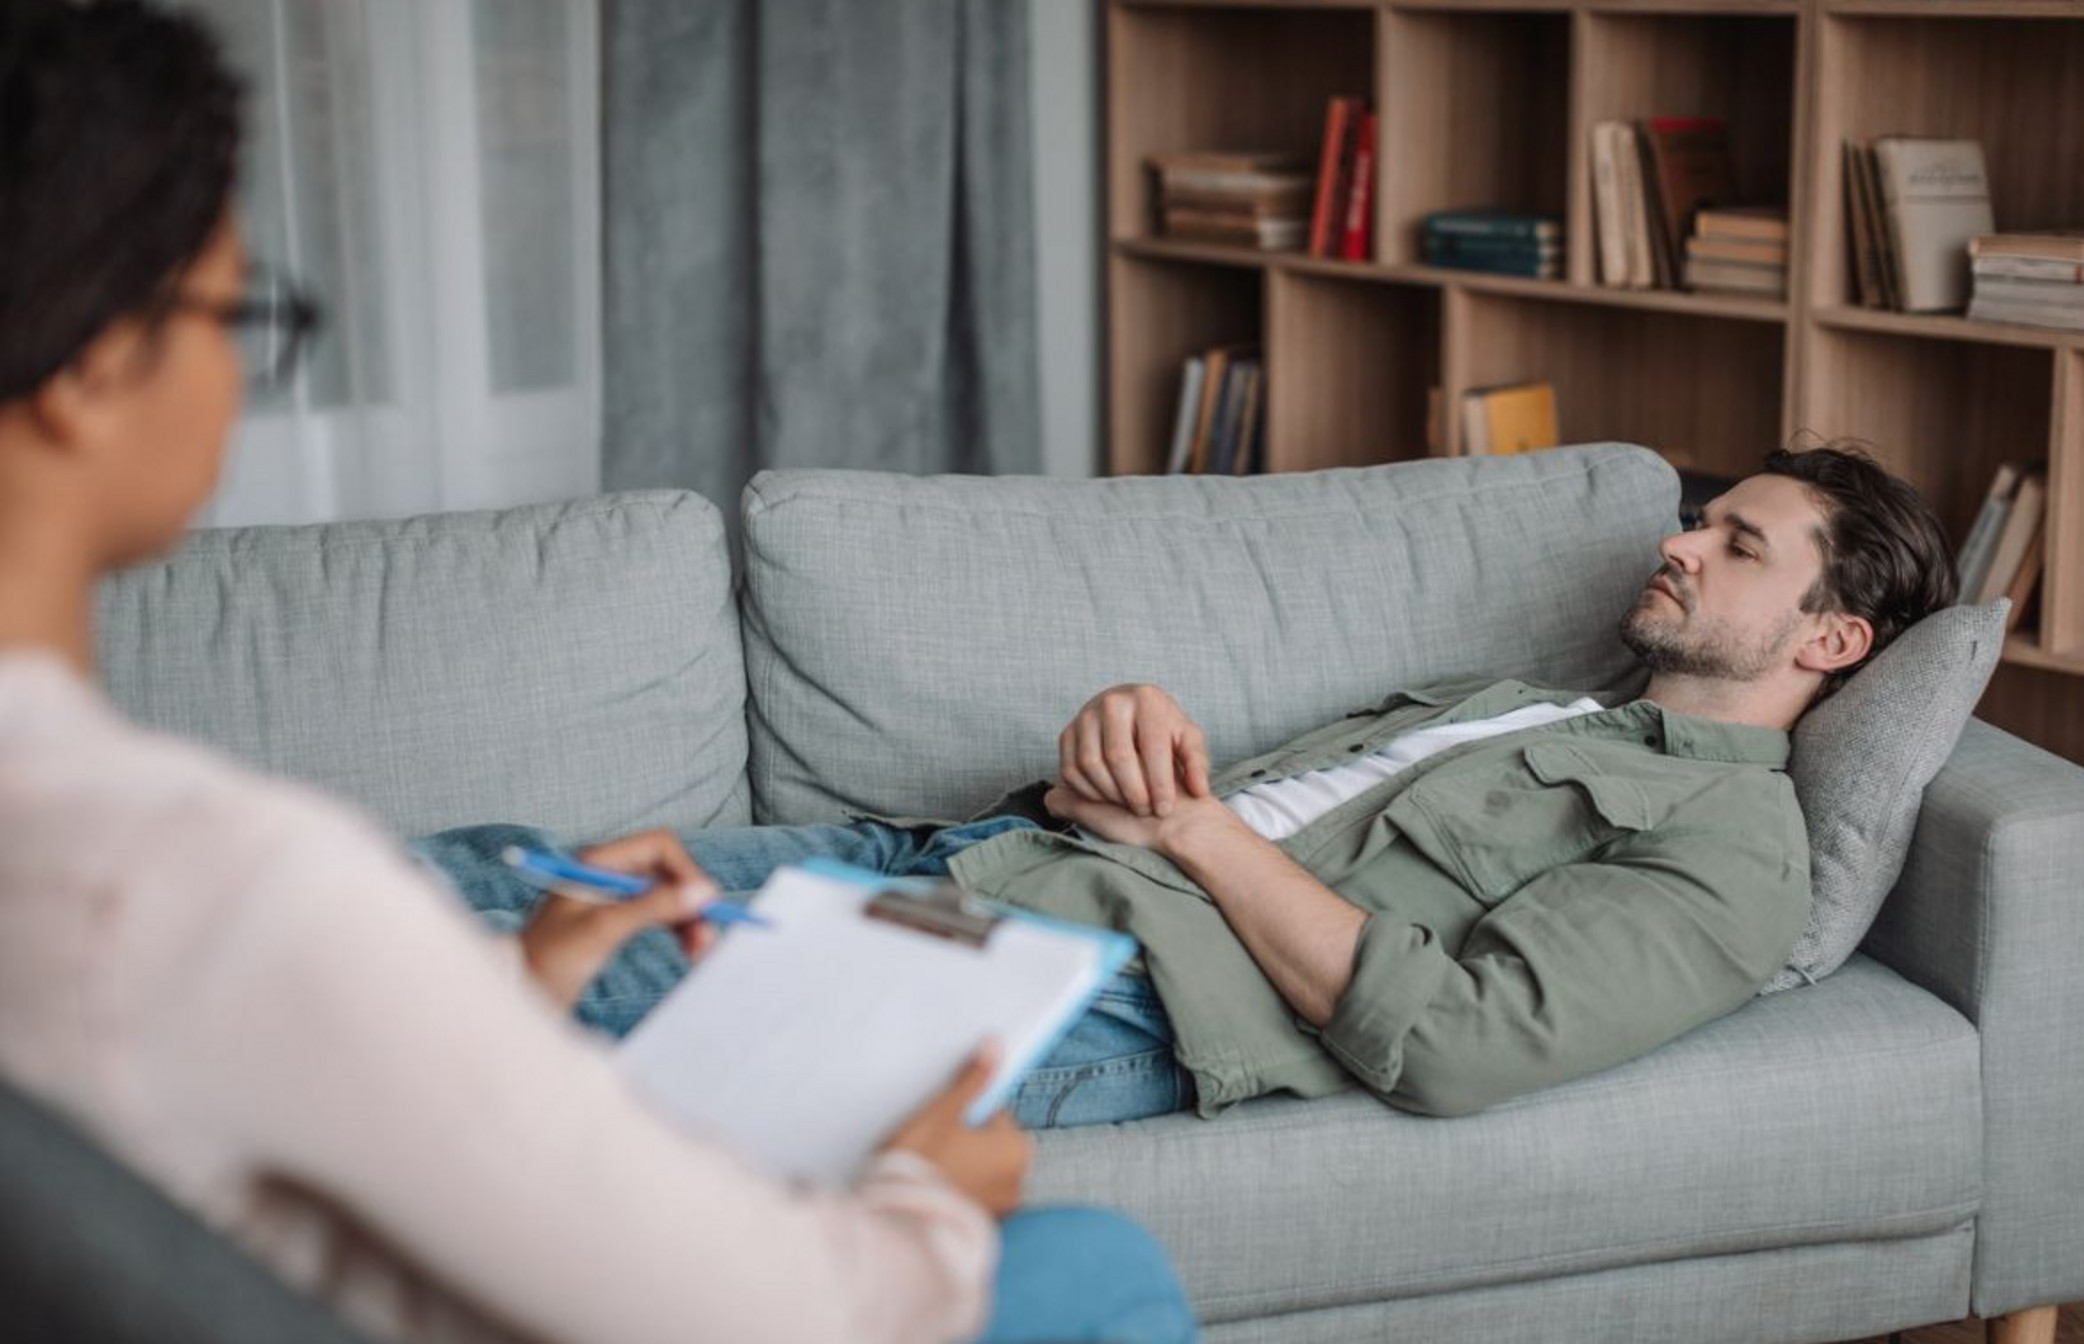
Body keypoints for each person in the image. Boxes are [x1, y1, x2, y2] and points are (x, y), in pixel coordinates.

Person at [0, 4, 1196, 1343]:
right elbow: (785, 1311)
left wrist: (517, 992)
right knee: (1089, 1266)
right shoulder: (221, 886)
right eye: (238, 311)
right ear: (99, 364)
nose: (234, 370)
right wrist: (929, 1193)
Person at [425, 443, 1955, 1129]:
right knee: (513, 871)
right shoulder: (1544, 705)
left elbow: (1456, 1045)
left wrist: (1187, 826)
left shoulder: (1735, 848)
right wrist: (1121, 757)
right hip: (996, 857)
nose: (1680, 542)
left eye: (1736, 544)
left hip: (1090, 970)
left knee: (585, 990)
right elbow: (1261, 817)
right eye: (1697, 519)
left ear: (1830, 637)